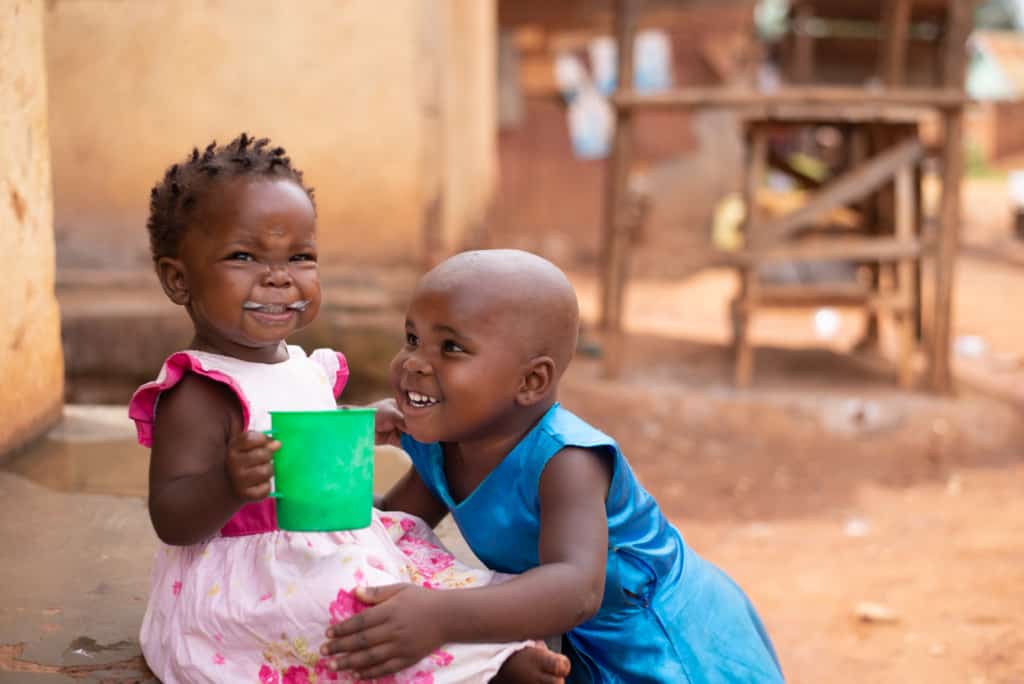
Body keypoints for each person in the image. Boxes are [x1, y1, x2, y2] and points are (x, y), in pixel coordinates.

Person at [127, 136, 570, 684]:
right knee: (356, 615)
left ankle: (486, 647)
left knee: (424, 577)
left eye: (300, 257)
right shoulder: (199, 391)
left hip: (326, 547)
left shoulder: (300, 365)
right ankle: (488, 664)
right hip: (251, 584)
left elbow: (298, 435)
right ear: (179, 279)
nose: (278, 277)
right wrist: (226, 482)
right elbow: (172, 518)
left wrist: (359, 423)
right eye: (244, 257)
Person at [322, 250, 785, 683]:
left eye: (451, 348)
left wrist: (439, 617)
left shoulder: (567, 461)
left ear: (531, 381)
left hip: (656, 638)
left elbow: (575, 588)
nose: (414, 364)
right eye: (412, 338)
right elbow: (395, 529)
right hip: (566, 632)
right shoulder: (442, 445)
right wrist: (345, 441)